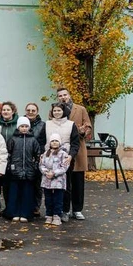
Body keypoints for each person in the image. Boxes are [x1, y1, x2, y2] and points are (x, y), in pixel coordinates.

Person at [58, 88, 92, 220]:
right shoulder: (55, 109)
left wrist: (83, 131)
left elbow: (88, 125)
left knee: (78, 180)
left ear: (69, 95)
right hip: (62, 149)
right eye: (60, 96)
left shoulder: (80, 109)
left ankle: (77, 209)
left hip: (78, 148)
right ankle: (64, 209)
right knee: (64, 181)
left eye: (65, 94)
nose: (63, 97)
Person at [5, 116, 42, 222]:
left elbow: (37, 154)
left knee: (27, 193)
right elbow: (8, 154)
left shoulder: (33, 140)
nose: (24, 128)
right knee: (14, 193)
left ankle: (25, 213)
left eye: (26, 126)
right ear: (18, 127)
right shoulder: (13, 139)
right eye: (22, 126)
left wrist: (34, 167)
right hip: (15, 170)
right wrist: (9, 167)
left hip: (29, 171)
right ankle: (14, 212)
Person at [40, 134, 71, 226]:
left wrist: (54, 173)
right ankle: (49, 214)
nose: (54, 142)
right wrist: (46, 172)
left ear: (59, 143)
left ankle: (57, 215)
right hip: (47, 181)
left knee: (58, 199)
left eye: (56, 141)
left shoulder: (63, 154)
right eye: (52, 141)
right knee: (48, 199)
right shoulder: (45, 154)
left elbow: (64, 167)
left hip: (58, 181)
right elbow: (41, 165)